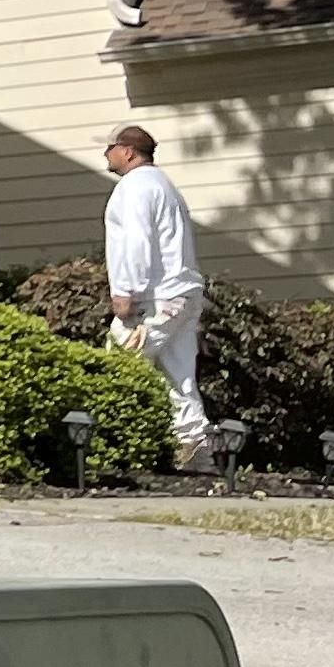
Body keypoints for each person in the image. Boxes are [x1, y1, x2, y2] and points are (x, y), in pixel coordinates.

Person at [101, 123, 210, 465]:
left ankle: (111, 447)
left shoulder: (134, 188)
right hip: (183, 294)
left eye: (110, 148)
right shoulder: (164, 186)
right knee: (179, 375)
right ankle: (195, 448)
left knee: (117, 363)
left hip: (154, 298)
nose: (106, 154)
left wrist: (125, 291)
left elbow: (136, 240)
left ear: (127, 152)